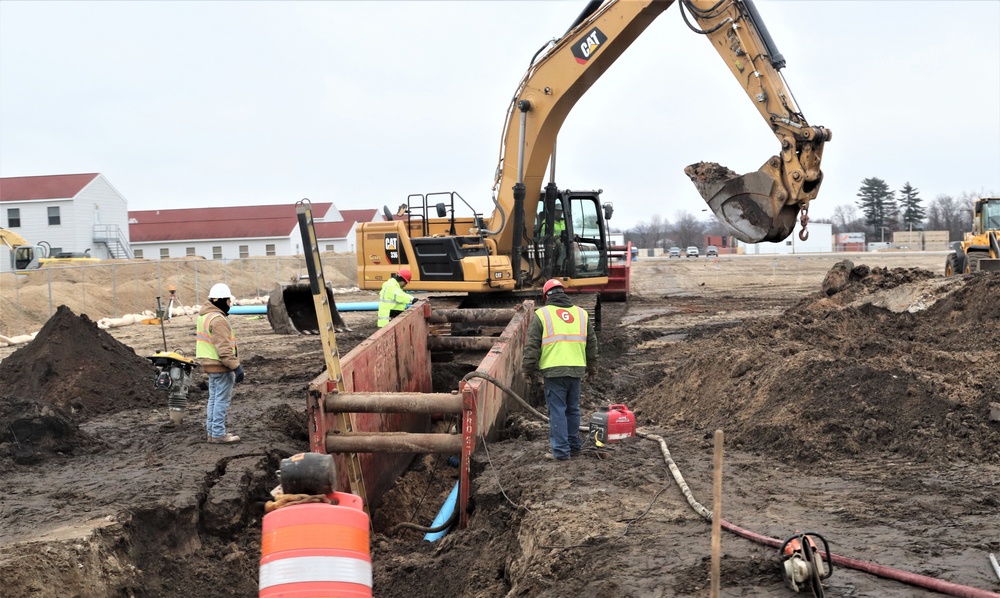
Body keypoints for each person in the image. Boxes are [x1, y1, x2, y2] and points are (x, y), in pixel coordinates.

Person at [521, 279, 598, 461]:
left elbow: (532, 346)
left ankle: (561, 452)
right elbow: (592, 343)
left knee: (557, 411)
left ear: (546, 296)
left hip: (554, 371)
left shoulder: (542, 315)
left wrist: (527, 370)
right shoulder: (581, 314)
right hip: (576, 369)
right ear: (563, 293)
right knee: (573, 409)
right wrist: (593, 367)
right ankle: (574, 447)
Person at [196, 282, 244, 444]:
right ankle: (218, 433)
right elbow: (223, 349)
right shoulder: (218, 320)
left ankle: (212, 432)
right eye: (229, 301)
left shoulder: (204, 317)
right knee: (221, 400)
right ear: (222, 300)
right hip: (221, 367)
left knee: (213, 399)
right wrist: (236, 367)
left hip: (209, 366)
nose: (230, 304)